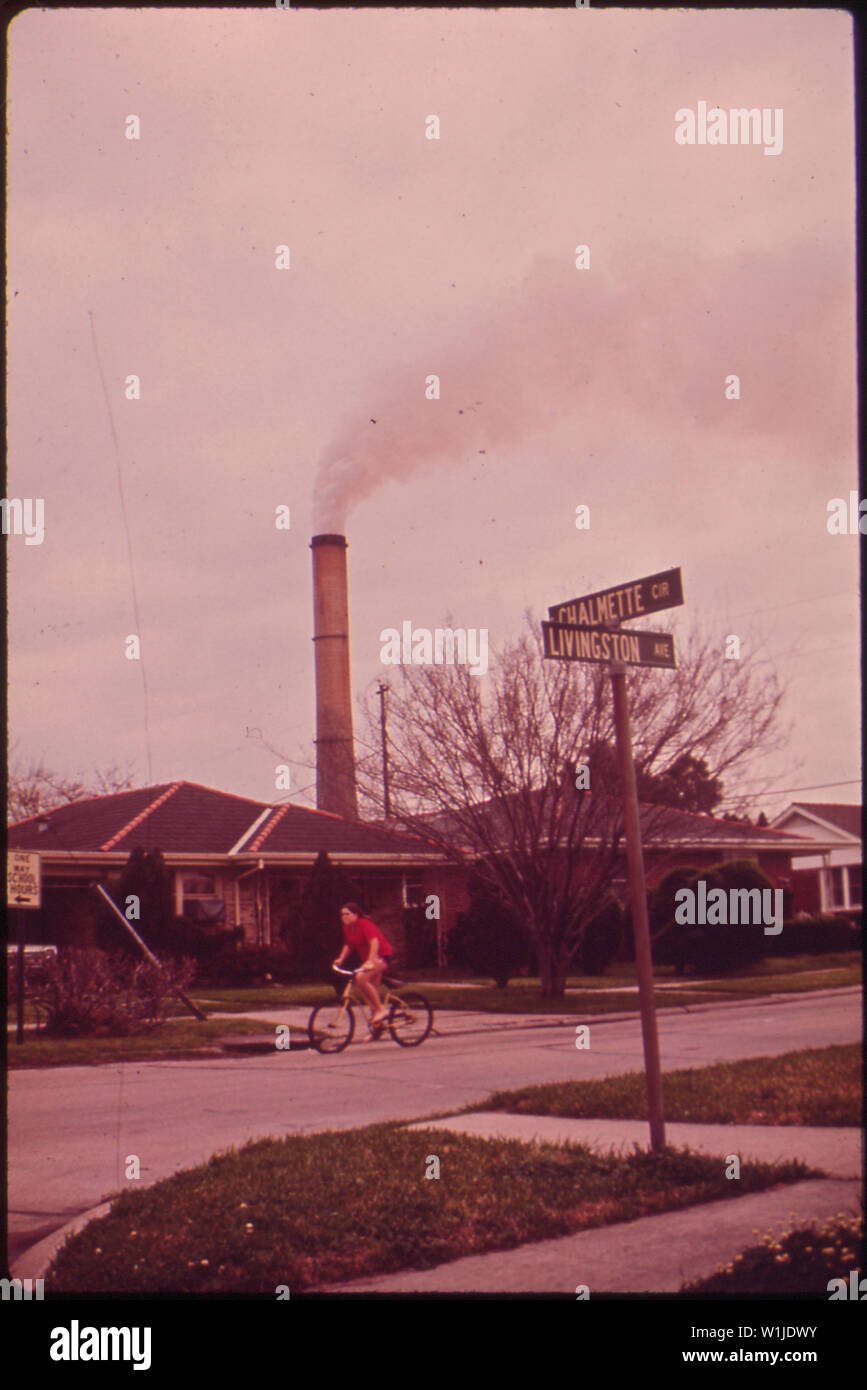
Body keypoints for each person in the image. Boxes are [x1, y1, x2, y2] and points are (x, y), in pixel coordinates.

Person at [333, 902, 394, 1037]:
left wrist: (370, 961)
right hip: (369, 959)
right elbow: (349, 945)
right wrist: (340, 959)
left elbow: (374, 943)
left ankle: (381, 1010)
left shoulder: (365, 924)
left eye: (347, 914)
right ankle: (377, 1030)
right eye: (342, 915)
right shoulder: (347, 928)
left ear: (356, 914)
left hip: (381, 955)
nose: (344, 917)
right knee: (371, 992)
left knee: (360, 978)